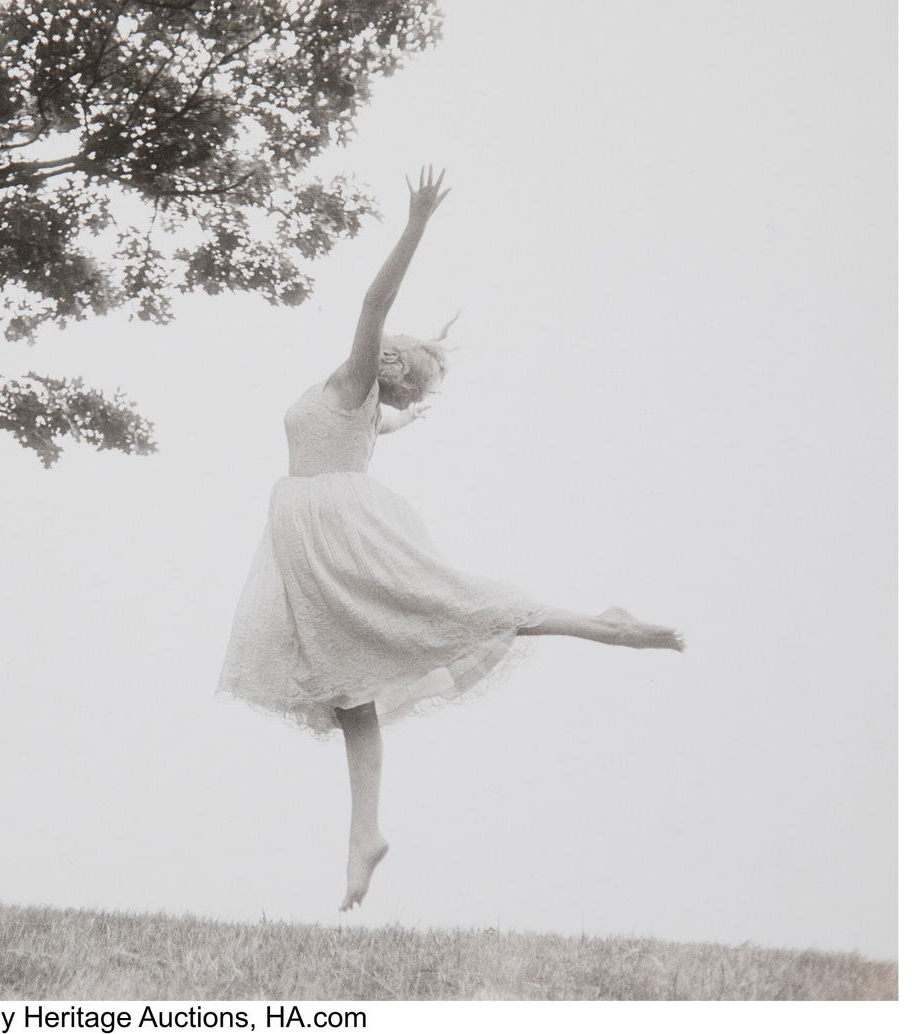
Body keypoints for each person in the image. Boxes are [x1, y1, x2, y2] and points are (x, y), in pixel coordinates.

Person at [216, 167, 683, 912]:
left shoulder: (353, 382)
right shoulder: (363, 408)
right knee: (347, 685)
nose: (382, 343)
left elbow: (375, 300)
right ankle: (363, 833)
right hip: (310, 535)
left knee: (445, 606)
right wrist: (408, 418)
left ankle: (607, 627)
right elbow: (385, 423)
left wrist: (417, 222)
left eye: (390, 347)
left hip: (332, 530)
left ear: (387, 361)